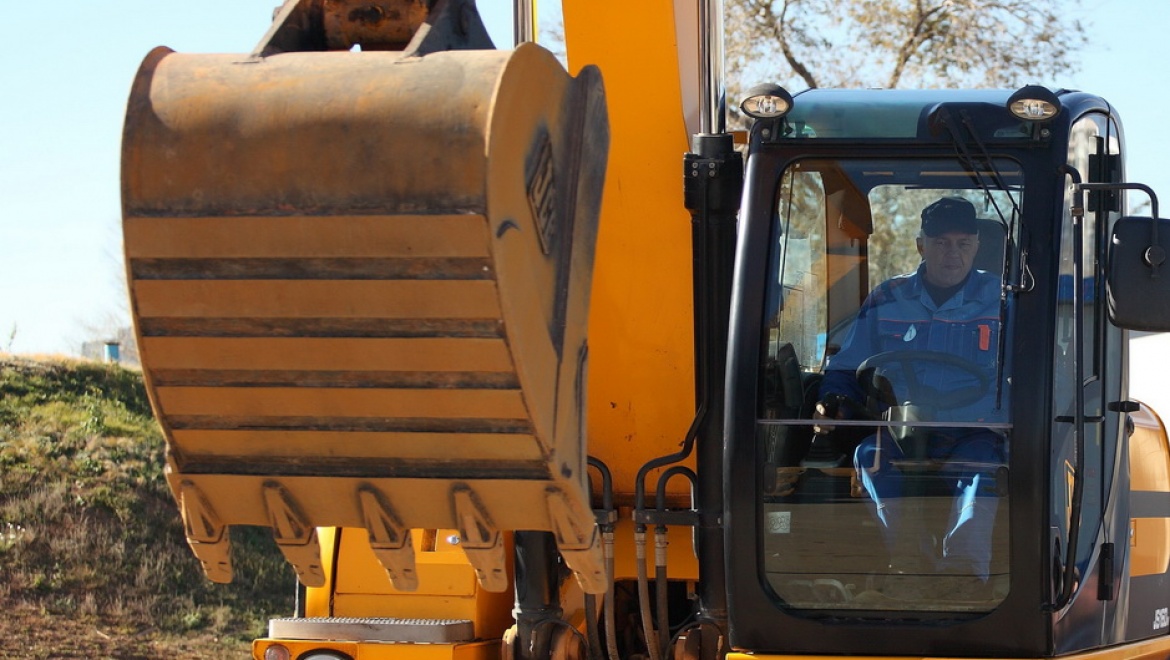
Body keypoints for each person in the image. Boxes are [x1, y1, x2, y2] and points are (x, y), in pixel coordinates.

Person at [814, 196, 1007, 584]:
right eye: (941, 243)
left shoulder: (1003, 300)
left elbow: (1030, 367)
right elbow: (848, 364)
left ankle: (964, 575)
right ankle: (912, 563)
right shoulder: (888, 299)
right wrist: (832, 400)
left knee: (981, 470)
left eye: (963, 243)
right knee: (869, 456)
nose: (952, 253)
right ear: (921, 245)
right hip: (901, 428)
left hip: (973, 431)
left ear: (976, 246)